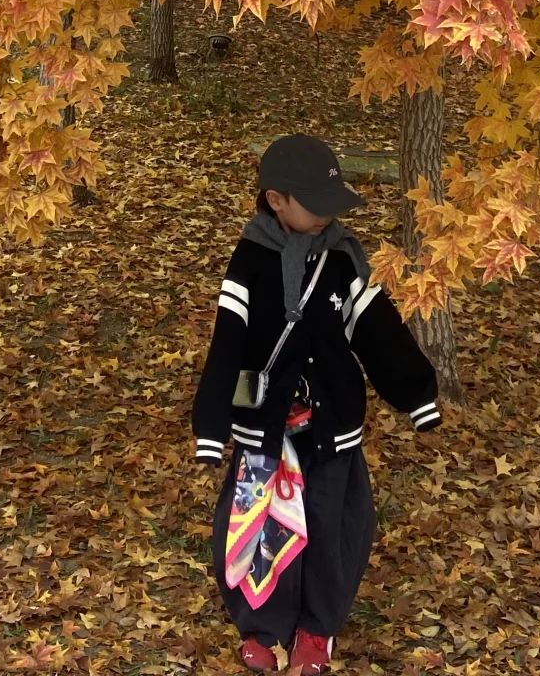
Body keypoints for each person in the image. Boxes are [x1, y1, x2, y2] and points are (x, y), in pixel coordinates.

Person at [192, 133, 442, 675]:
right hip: (263, 419)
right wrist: (212, 427)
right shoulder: (249, 261)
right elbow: (228, 341)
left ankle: (317, 629)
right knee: (260, 526)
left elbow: (378, 331)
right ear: (275, 199)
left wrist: (417, 394)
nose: (329, 216)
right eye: (315, 204)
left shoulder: (343, 259)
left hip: (331, 425)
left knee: (332, 528)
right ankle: (264, 626)